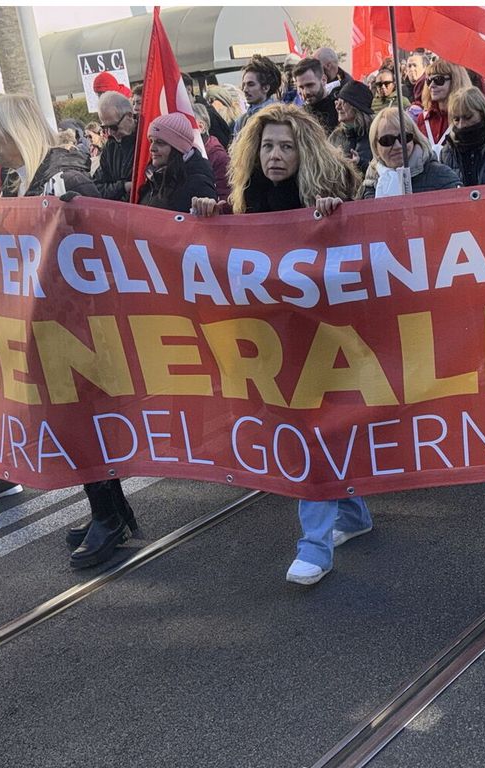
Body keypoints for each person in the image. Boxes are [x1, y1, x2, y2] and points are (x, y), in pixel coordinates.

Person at [0, 93, 139, 569]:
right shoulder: (23, 179)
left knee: (85, 421)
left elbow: (105, 235)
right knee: (73, 421)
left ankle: (110, 515)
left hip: (79, 324)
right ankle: (109, 511)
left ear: (14, 131)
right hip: (50, 321)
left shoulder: (64, 174)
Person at [192, 103, 371, 586]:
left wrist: (336, 215)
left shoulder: (329, 197)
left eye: (287, 147)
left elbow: (361, 245)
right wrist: (213, 213)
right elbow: (229, 239)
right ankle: (352, 516)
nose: (275, 155)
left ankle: (315, 546)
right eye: (268, 145)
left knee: (310, 430)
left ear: (303, 152)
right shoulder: (247, 200)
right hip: (275, 337)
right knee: (310, 428)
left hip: (325, 337)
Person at [361, 107, 462, 198]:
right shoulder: (369, 184)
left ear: (414, 138)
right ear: (375, 146)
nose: (397, 146)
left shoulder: (441, 175)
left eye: (404, 137)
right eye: (387, 140)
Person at [137, 112, 216, 211]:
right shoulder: (154, 176)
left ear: (178, 148)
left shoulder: (198, 184)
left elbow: (205, 224)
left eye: (160, 143)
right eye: (151, 141)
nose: (152, 148)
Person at [415, 59, 471, 160]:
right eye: (428, 80)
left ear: (455, 80)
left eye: (438, 79)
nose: (431, 85)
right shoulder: (422, 119)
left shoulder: (467, 117)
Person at [93, 90, 136, 201]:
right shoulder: (110, 147)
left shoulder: (147, 142)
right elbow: (96, 188)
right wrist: (123, 187)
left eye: (113, 127)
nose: (110, 132)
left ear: (129, 116)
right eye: (105, 128)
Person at [329, 80, 374, 174]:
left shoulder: (375, 134)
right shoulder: (335, 136)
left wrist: (360, 164)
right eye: (337, 102)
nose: (337, 107)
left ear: (357, 107)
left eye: (343, 102)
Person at [233, 54, 281, 138]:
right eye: (244, 84)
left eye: (251, 84)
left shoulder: (279, 117)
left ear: (265, 88)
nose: (245, 89)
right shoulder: (242, 120)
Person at [293, 57, 339, 134]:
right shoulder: (299, 116)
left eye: (310, 85)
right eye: (301, 87)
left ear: (323, 80)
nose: (305, 92)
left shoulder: (339, 110)